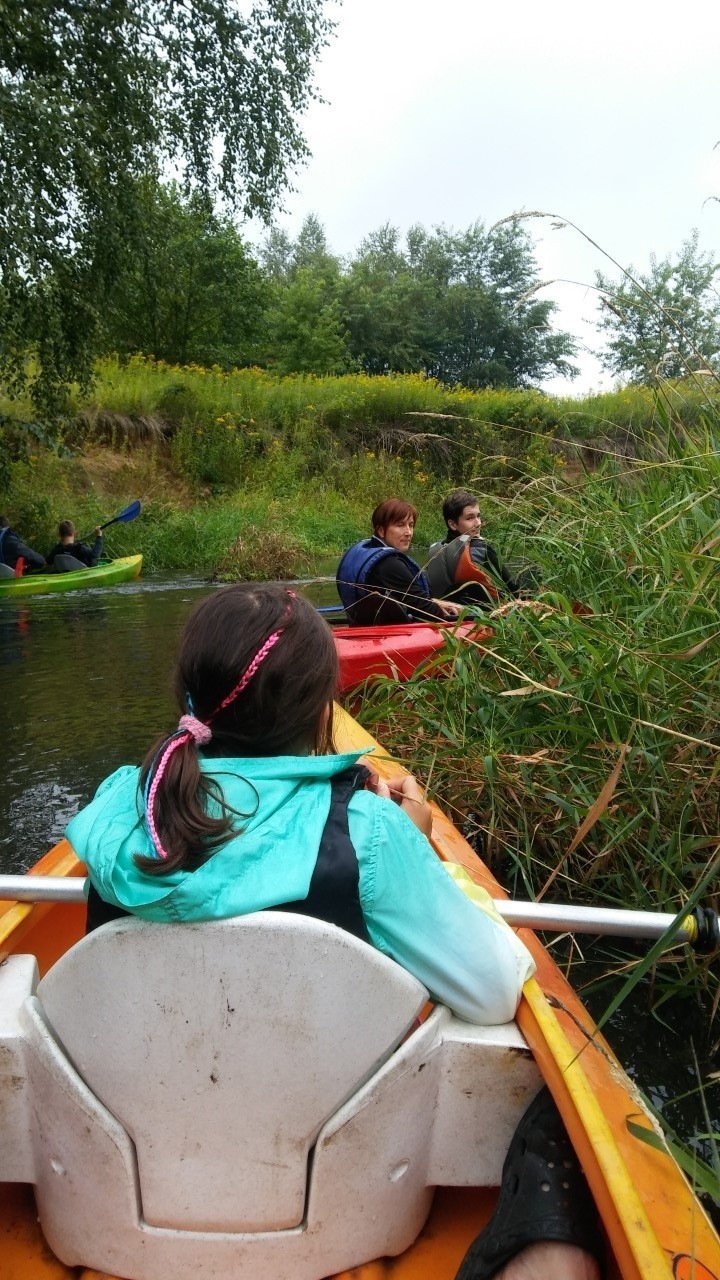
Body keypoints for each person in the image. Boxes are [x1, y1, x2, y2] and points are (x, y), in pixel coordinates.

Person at [65, 584, 601, 1280]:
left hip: (139, 1189)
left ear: (188, 698)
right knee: (561, 1080)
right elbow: (497, 990)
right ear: (323, 709)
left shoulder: (119, 811)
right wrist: (416, 854)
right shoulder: (365, 833)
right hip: (350, 1209)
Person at [336, 498, 462, 626]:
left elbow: (412, 599)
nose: (408, 533)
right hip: (386, 638)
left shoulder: (366, 550)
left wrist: (434, 602)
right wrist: (459, 621)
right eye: (400, 525)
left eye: (411, 525)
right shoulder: (390, 565)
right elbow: (425, 610)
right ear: (381, 530)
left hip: (361, 629)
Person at [426, 490, 520, 610]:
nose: (478, 523)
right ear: (453, 524)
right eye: (470, 518)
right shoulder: (480, 549)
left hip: (444, 619)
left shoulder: (435, 549)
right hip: (482, 618)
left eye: (478, 516)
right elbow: (512, 590)